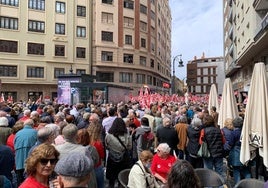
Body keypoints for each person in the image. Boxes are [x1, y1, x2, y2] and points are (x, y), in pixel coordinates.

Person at [105, 117, 132, 188]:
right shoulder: (127, 134)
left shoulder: (109, 136)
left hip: (112, 158)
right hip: (123, 158)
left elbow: (106, 145)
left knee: (111, 179)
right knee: (122, 178)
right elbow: (129, 147)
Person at [14, 119, 37, 186]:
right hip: (30, 157)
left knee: (19, 178)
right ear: (32, 125)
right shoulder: (35, 132)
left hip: (19, 158)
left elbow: (14, 144)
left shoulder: (18, 133)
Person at [228, 117, 251, 184]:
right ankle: (249, 184)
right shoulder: (245, 132)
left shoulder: (233, 133)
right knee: (246, 170)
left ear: (233, 124)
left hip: (236, 153)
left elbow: (230, 144)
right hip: (245, 151)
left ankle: (238, 185)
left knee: (236, 171)